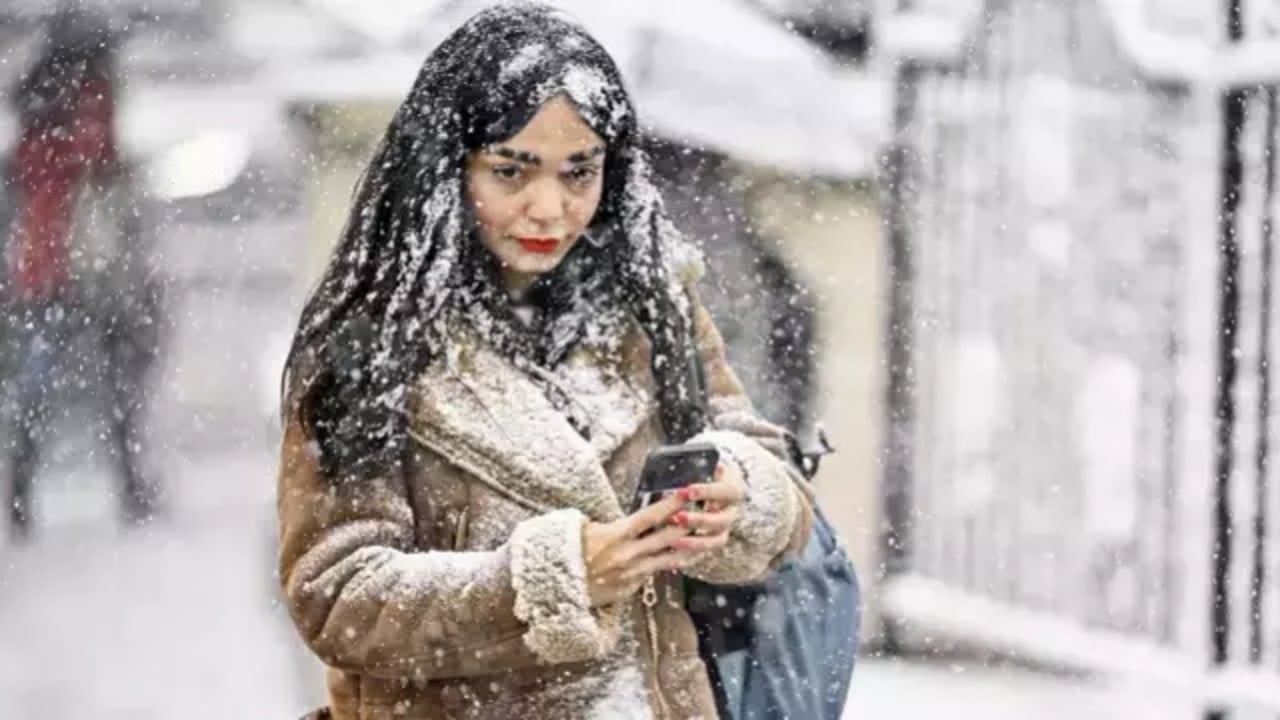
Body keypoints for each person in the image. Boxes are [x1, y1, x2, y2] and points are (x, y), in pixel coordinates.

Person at [277, 5, 814, 718]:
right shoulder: (372, 342)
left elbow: (763, 460)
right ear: (448, 169)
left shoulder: (653, 309)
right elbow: (337, 596)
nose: (550, 209)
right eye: (512, 171)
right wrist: (554, 579)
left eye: (579, 173)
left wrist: (739, 493)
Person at [3, 8, 161, 540]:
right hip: (80, 262)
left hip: (50, 263)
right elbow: (94, 167)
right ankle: (125, 484)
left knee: (51, 378)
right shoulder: (84, 100)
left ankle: (25, 489)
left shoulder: (37, 105)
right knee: (104, 375)